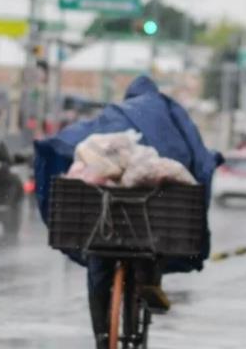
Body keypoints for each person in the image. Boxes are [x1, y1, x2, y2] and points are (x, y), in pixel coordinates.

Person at [33, 75, 222, 349]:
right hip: (150, 219)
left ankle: (101, 335)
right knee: (152, 248)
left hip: (105, 221)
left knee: (99, 266)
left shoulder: (115, 114)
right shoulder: (169, 114)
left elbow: (80, 137)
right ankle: (149, 285)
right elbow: (193, 151)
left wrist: (52, 148)